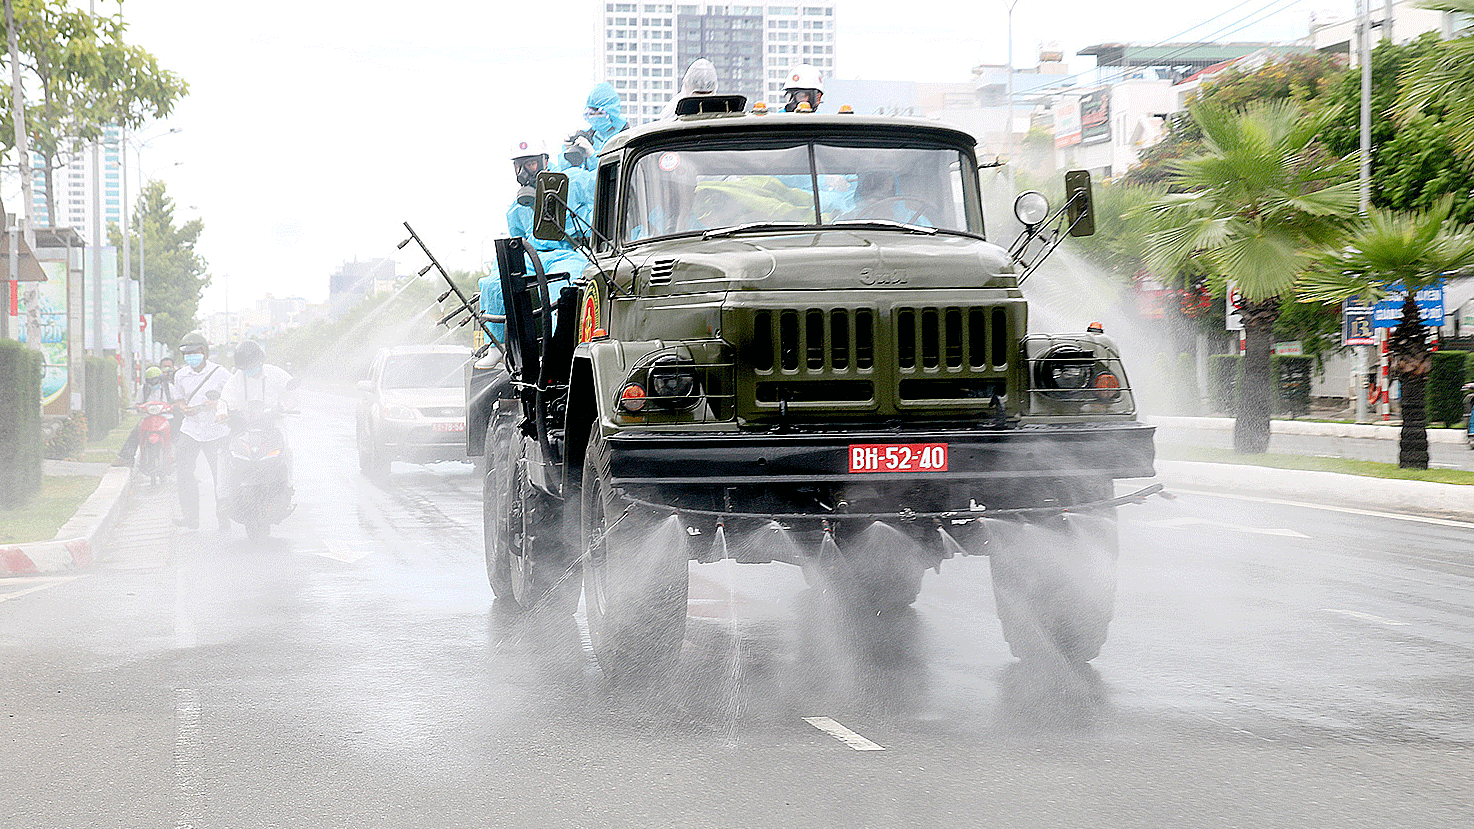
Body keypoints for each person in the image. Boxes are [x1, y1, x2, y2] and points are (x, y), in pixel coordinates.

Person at [169, 331, 230, 530]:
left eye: (194, 352)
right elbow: (178, 398)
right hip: (191, 429)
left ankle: (223, 516)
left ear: (204, 352)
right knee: (184, 473)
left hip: (216, 430)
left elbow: (231, 397)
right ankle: (190, 517)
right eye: (187, 353)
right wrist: (183, 407)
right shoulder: (180, 375)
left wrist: (216, 404)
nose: (190, 357)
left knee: (220, 475)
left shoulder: (221, 373)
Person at [114, 366, 173, 466]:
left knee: (178, 435)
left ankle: (179, 458)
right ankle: (126, 457)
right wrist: (140, 408)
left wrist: (171, 407)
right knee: (135, 433)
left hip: (166, 419)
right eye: (150, 381)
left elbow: (177, 402)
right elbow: (138, 404)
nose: (153, 383)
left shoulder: (169, 388)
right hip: (148, 418)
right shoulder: (143, 389)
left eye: (155, 380)